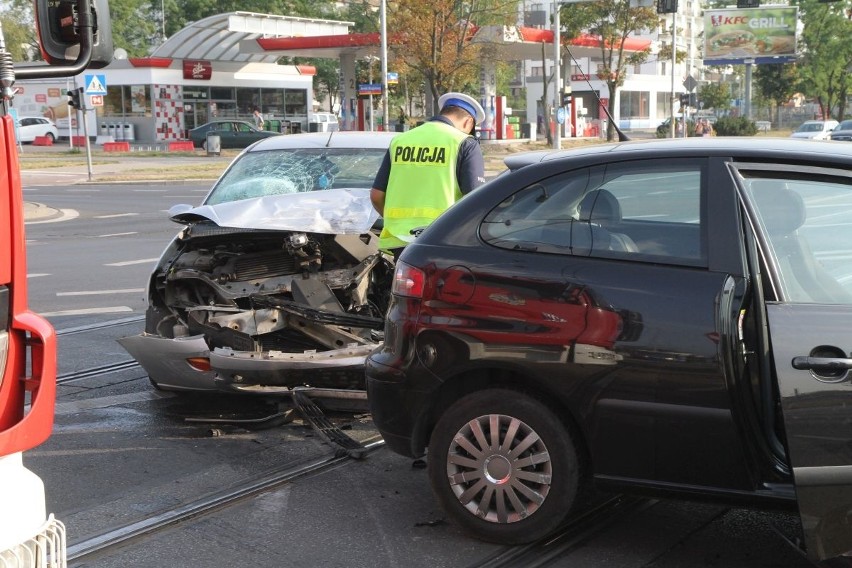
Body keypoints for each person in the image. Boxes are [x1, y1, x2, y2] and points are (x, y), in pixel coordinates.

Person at [370, 92, 486, 256]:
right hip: (443, 240)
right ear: (469, 122)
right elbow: (476, 200)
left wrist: (398, 224)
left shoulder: (400, 140)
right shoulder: (464, 143)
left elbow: (376, 195)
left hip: (399, 240)